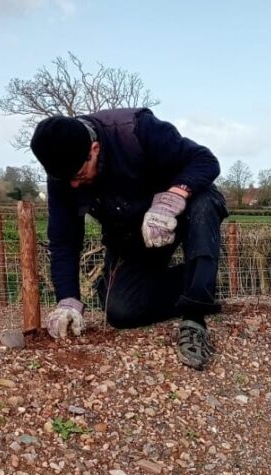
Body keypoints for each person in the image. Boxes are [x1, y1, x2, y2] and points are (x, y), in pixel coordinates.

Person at [29, 108, 227, 369]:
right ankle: (198, 281)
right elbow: (64, 239)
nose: (74, 185)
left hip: (178, 212)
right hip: (131, 233)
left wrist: (172, 199)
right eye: (68, 181)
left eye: (79, 175)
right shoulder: (64, 173)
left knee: (204, 203)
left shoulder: (136, 129)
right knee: (121, 312)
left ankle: (195, 314)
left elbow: (206, 161)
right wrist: (67, 299)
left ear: (95, 148)